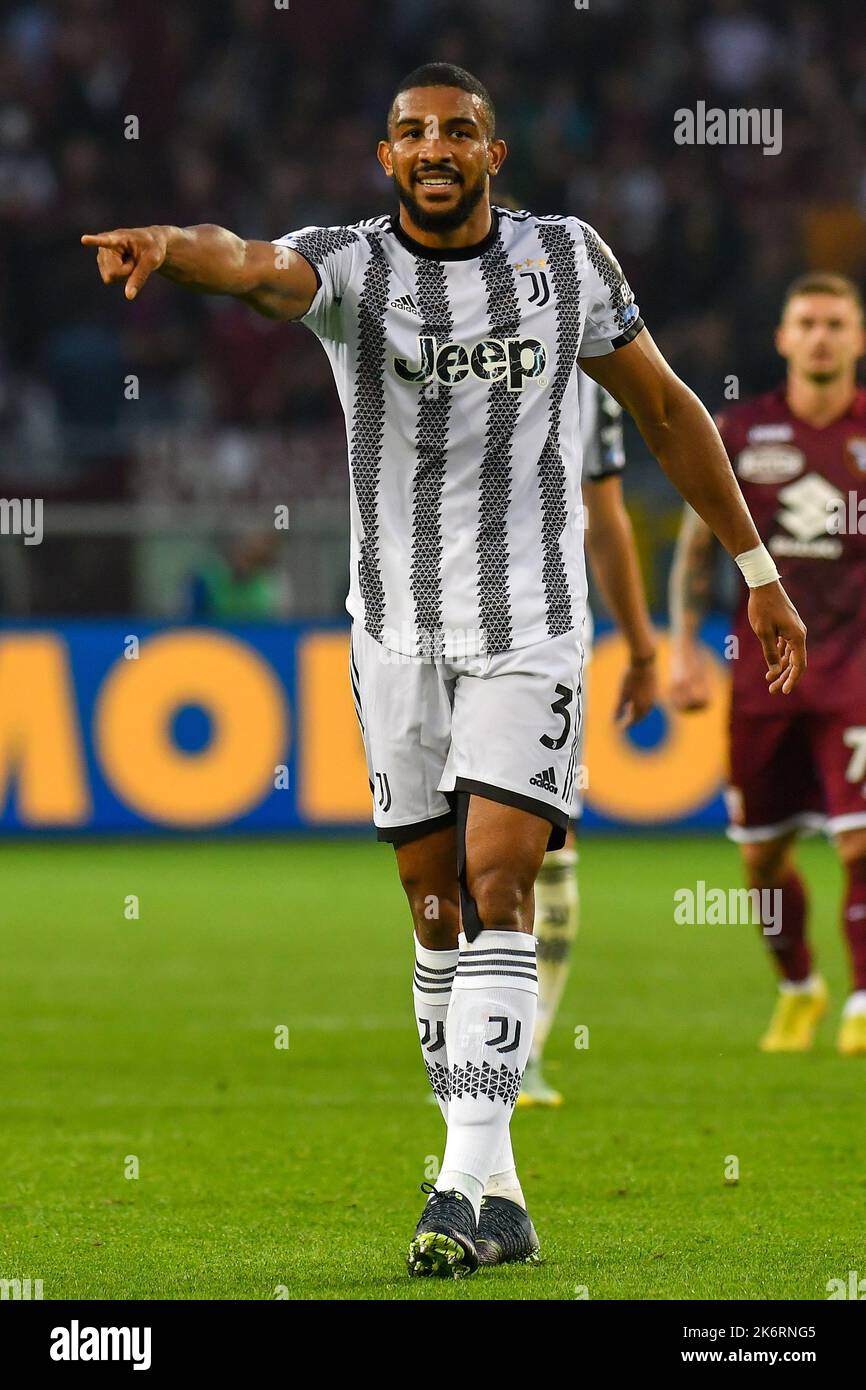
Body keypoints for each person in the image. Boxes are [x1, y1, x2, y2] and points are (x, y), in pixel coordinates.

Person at [82, 62, 806, 1279]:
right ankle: (495, 1183)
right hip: (394, 635)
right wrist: (170, 241)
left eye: (456, 132)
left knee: (497, 879)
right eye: (411, 133)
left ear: (492, 153)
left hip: (529, 626)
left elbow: (671, 412)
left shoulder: (569, 262)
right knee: (431, 912)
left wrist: (756, 566)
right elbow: (251, 262)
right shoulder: (352, 269)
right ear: (383, 158)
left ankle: (457, 1182)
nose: (433, 148)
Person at [670, 272, 866, 1056]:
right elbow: (695, 548)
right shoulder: (740, 432)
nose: (820, 336)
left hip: (856, 668)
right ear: (784, 338)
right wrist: (681, 648)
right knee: (761, 856)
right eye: (806, 324)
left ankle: (863, 1004)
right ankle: (799, 988)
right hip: (763, 677)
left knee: (858, 841)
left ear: (857, 339)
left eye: (835, 324)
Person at [523, 373, 657, 1106]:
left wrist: (640, 645)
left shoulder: (590, 370)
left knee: (543, 847)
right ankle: (458, 1047)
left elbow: (603, 517)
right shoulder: (421, 317)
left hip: (543, 637)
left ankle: (524, 1049)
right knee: (440, 860)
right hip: (419, 631)